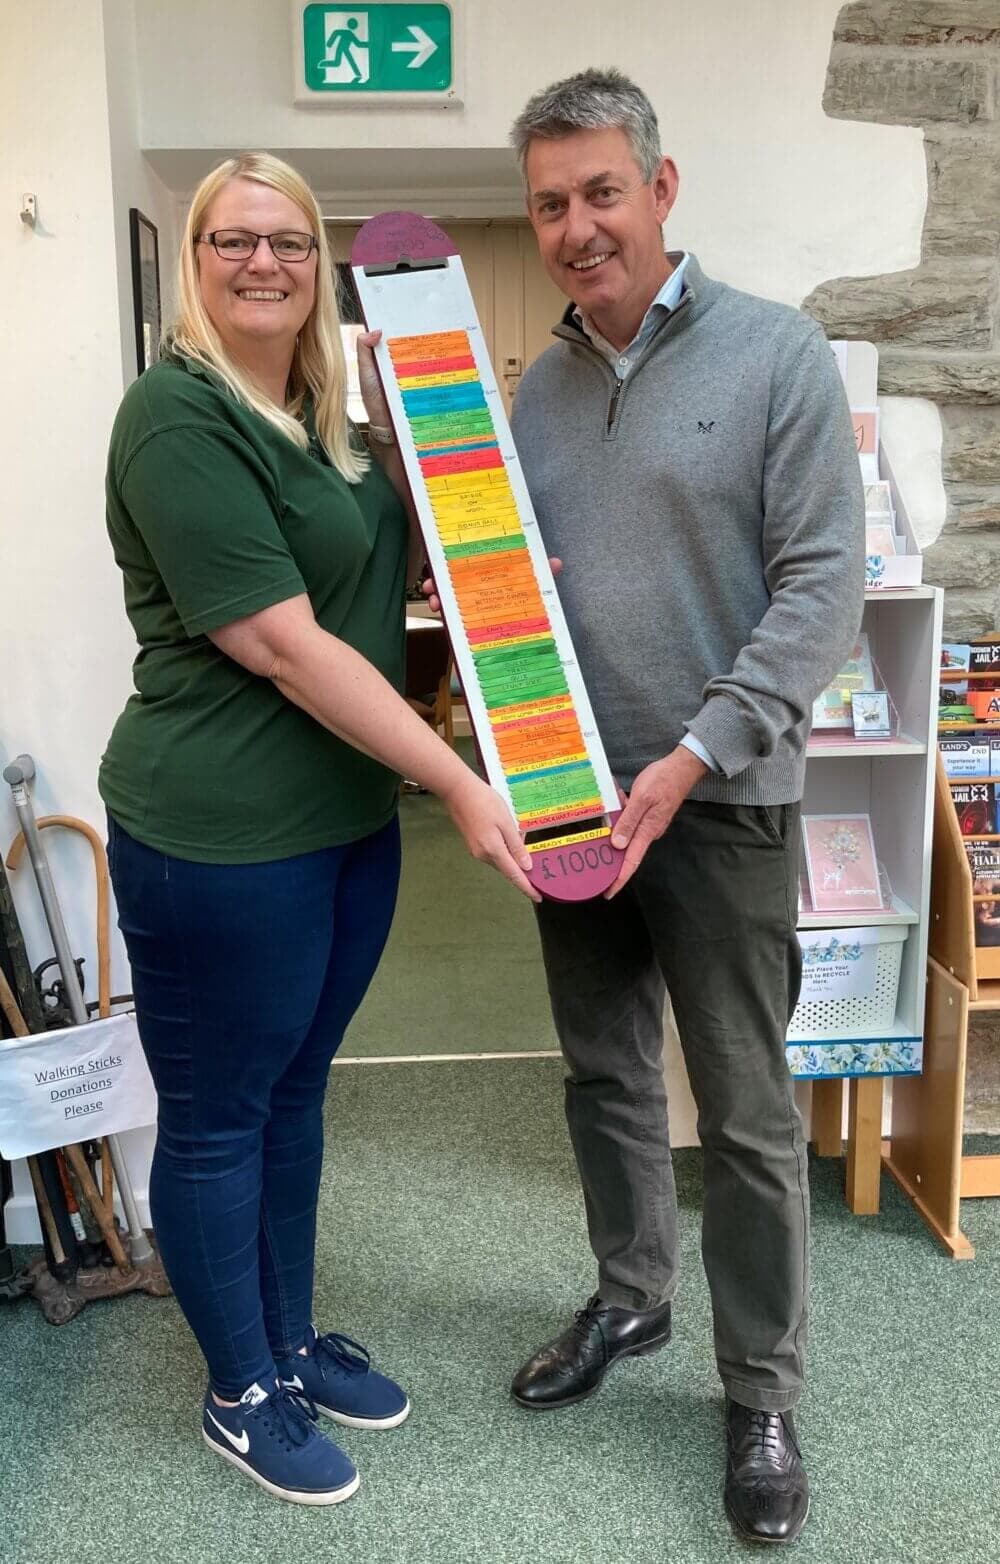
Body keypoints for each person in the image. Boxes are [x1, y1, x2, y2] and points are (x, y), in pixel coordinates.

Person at [430, 69, 864, 1544]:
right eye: (549, 203)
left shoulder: (777, 355)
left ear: (661, 192)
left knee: (744, 1115)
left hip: (722, 798)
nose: (574, 226)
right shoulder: (529, 394)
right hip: (572, 807)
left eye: (600, 192)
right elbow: (518, 601)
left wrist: (697, 752)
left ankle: (763, 1388)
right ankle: (633, 1301)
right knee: (604, 1074)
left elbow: (822, 591)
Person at [100, 152, 539, 1507]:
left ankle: (285, 1338)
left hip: (343, 820)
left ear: (319, 257)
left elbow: (355, 579)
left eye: (290, 239)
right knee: (223, 1116)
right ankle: (240, 1390)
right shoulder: (178, 418)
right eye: (234, 240)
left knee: (295, 1093)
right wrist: (465, 780)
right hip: (221, 835)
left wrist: (487, 573)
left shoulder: (324, 418)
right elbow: (284, 645)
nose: (265, 264)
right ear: (196, 257)